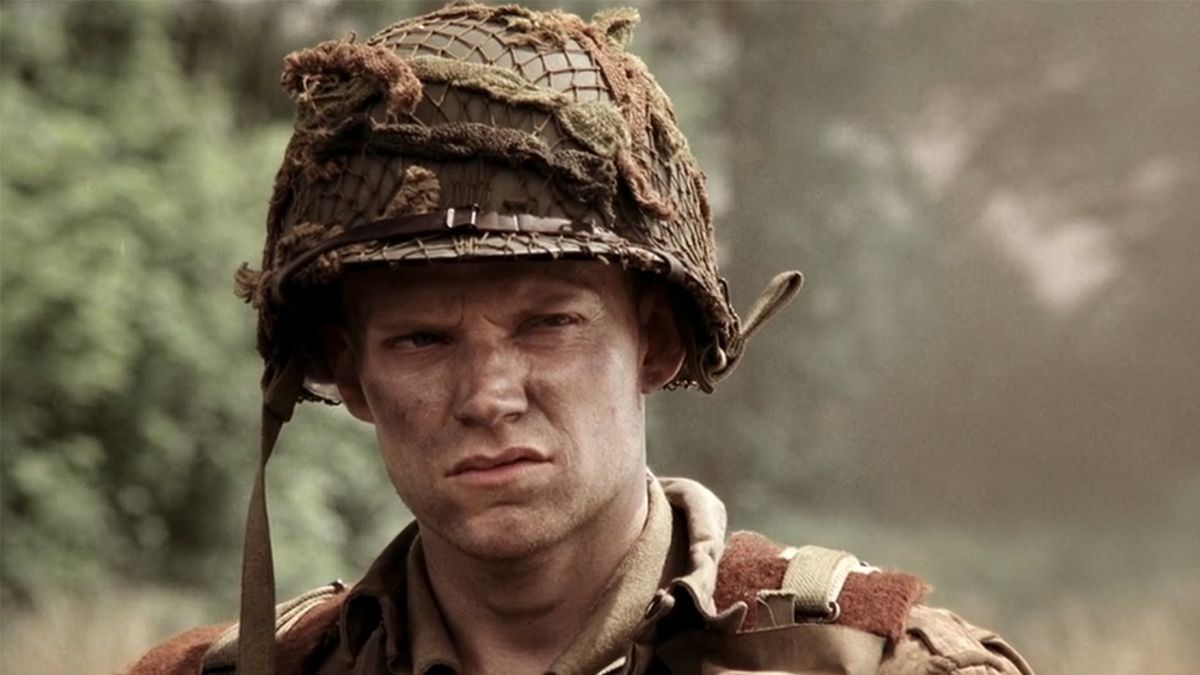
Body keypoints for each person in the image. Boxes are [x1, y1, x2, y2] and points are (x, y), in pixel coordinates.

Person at [130, 3, 1035, 674]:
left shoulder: (874, 665)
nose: (488, 395)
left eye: (548, 324)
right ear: (351, 377)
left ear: (656, 343)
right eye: (422, 340)